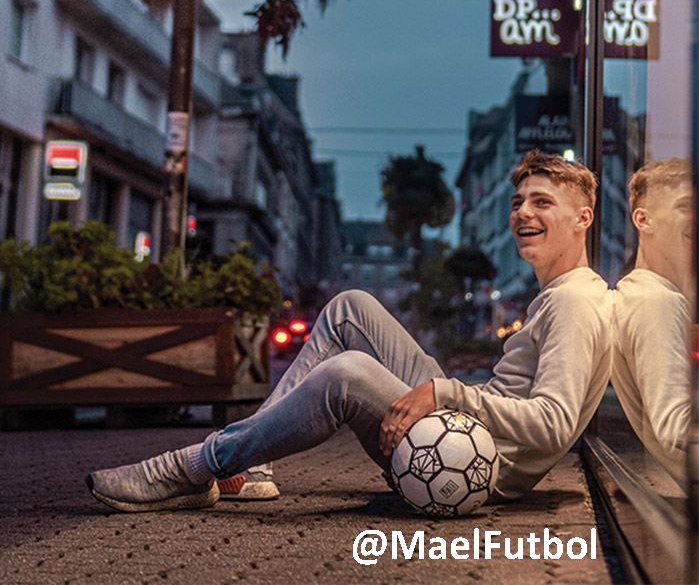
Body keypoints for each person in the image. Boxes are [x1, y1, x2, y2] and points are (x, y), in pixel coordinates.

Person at [86, 150, 612, 512]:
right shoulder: (563, 294)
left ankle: (195, 467)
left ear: (583, 218)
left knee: (347, 373)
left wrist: (445, 392)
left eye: (542, 202)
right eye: (519, 202)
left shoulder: (573, 303)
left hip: (471, 468)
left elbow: (554, 425)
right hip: (467, 432)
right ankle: (254, 467)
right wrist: (447, 395)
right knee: (350, 307)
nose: (523, 212)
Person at [611, 158, 693, 486]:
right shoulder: (657, 301)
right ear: (643, 220)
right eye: (686, 205)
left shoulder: (641, 294)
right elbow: (674, 430)